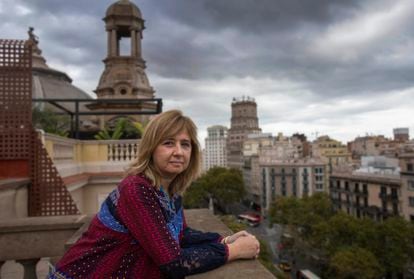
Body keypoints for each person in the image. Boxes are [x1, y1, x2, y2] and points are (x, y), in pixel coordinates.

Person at [49, 110, 260, 279]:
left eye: (185, 144)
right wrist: (235, 251)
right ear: (151, 149)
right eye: (168, 143)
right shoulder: (136, 189)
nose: (179, 151)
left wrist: (224, 239)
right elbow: (174, 263)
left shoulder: (170, 190)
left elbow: (181, 235)